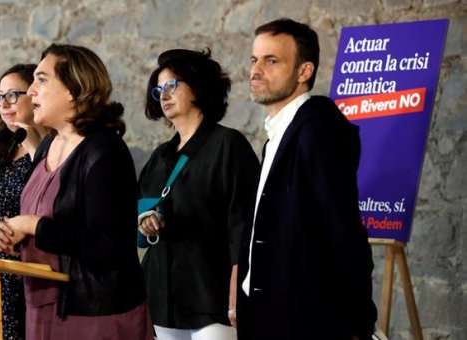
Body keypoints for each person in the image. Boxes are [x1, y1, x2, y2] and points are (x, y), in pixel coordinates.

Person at [0, 43, 153, 340]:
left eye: (41, 80)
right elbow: (42, 217)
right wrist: (8, 232)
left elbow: (107, 245)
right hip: (43, 305)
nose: (32, 91)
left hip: (94, 313)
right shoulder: (48, 146)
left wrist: (32, 225)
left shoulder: (104, 151)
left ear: (73, 90)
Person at [236, 18, 377, 339]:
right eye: (254, 59)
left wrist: (356, 324)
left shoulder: (319, 131)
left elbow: (343, 231)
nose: (256, 70)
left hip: (303, 320)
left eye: (272, 61)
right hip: (266, 313)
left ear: (304, 71)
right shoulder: (279, 133)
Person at [138, 48, 259, 340]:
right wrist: (144, 222)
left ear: (198, 86)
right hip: (162, 298)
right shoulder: (160, 156)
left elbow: (243, 228)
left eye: (171, 86)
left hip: (212, 298)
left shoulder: (228, 145)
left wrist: (237, 296)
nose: (163, 95)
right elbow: (140, 218)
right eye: (158, 91)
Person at [0, 63, 48, 340]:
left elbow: (47, 193)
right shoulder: (1, 147)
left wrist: (33, 141)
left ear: (35, 94)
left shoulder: (50, 149)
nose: (4, 104)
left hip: (17, 273)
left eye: (13, 94)